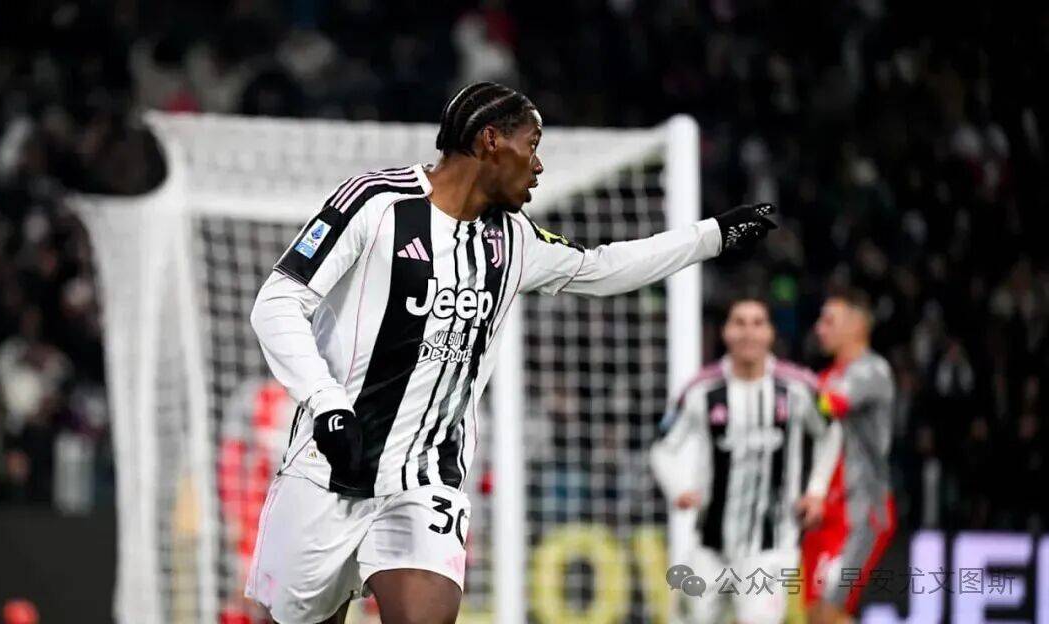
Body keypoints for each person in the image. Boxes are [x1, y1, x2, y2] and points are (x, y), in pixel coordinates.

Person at [245, 81, 779, 624]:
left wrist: (713, 235)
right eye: (533, 145)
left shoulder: (513, 240)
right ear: (491, 141)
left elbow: (602, 267)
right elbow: (277, 303)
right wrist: (328, 404)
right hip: (328, 467)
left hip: (425, 480)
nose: (539, 165)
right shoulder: (375, 202)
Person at [651, 297, 841, 624]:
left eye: (757, 323)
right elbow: (662, 447)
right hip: (709, 545)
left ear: (770, 333)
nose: (748, 333)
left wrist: (816, 491)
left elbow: (831, 431)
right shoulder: (700, 389)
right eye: (739, 323)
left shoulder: (799, 387)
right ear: (726, 332)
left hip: (772, 544)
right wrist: (678, 487)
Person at [801, 290, 897, 624]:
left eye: (829, 321)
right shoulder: (826, 376)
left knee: (829, 612)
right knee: (816, 615)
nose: (819, 328)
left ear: (857, 325)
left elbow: (829, 404)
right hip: (824, 511)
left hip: (860, 511)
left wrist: (786, 386)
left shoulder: (872, 371)